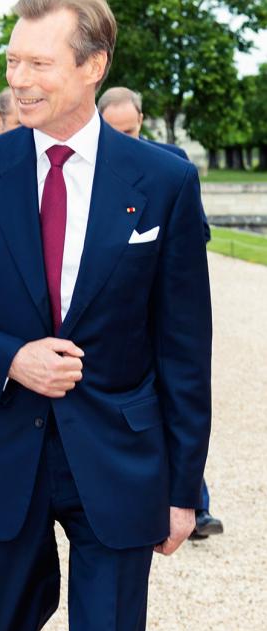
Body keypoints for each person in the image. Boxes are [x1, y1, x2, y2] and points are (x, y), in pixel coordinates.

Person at [0, 0, 212, 631]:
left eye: (39, 63)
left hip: (120, 457)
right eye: (13, 62)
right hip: (1, 449)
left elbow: (185, 346)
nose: (20, 80)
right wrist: (7, 356)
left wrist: (183, 490)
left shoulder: (163, 181)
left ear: (93, 66)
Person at [98, 85, 223, 539]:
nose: (126, 140)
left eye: (131, 130)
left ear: (142, 120)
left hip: (163, 311)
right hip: (121, 322)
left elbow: (193, 237)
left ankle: (195, 503)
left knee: (181, 401)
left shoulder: (171, 165)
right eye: (117, 132)